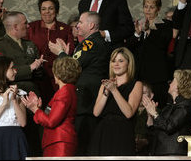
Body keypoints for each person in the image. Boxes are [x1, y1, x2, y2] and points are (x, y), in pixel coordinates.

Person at [48, 11, 112, 155]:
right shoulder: (92, 42)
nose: (77, 25)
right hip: (89, 99)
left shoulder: (90, 42)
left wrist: (60, 53)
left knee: (84, 146)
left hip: (86, 101)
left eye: (81, 22)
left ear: (91, 25)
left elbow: (73, 66)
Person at [0, 11, 44, 156]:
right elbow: (0, 72)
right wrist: (30, 68)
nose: (28, 26)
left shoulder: (30, 44)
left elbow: (38, 73)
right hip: (14, 94)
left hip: (34, 92)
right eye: (25, 23)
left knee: (36, 134)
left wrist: (38, 68)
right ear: (15, 27)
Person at [21, 56, 81, 157]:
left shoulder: (65, 92)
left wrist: (35, 109)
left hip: (60, 142)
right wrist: (38, 109)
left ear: (57, 73)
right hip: (57, 141)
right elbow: (51, 118)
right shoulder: (66, 91)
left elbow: (51, 121)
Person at [88, 47, 143, 155]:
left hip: (122, 133)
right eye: (113, 61)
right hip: (103, 133)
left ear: (128, 63)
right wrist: (107, 92)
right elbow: (96, 112)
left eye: (120, 61)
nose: (116, 64)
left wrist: (114, 90)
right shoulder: (105, 85)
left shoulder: (136, 84)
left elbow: (128, 113)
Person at [126, 0, 173, 109]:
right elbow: (129, 48)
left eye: (151, 7)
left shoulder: (166, 25)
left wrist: (148, 31)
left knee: (158, 107)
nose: (148, 10)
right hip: (139, 75)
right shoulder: (137, 24)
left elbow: (162, 44)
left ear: (158, 8)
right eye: (146, 6)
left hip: (157, 75)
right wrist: (137, 33)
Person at [27, 0, 75, 107]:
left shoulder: (66, 29)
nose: (47, 12)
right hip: (36, 77)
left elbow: (70, 51)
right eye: (43, 9)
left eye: (50, 8)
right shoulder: (31, 27)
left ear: (56, 11)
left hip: (58, 77)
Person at [143, 69, 191, 156]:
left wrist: (155, 113)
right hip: (160, 153)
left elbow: (169, 127)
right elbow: (155, 131)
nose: (169, 83)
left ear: (179, 86)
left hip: (174, 154)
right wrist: (150, 115)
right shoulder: (169, 107)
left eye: (173, 80)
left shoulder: (185, 106)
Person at [135, 82, 155, 155]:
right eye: (138, 92)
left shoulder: (157, 112)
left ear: (151, 95)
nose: (140, 95)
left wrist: (145, 141)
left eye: (143, 93)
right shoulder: (130, 112)